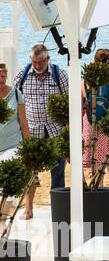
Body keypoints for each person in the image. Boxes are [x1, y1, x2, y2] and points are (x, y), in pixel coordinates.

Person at [17, 44, 68, 219]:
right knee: (31, 171)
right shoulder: (23, 75)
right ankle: (29, 207)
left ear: (47, 59)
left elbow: (70, 100)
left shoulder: (59, 74)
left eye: (40, 62)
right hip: (32, 130)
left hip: (55, 130)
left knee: (58, 170)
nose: (37, 65)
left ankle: (58, 208)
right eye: (34, 62)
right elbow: (14, 99)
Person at [0, 63, 28, 157]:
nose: (1, 80)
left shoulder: (16, 94)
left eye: (3, 76)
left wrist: (29, 147)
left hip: (13, 146)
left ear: (6, 77)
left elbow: (23, 122)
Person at [85, 48, 109, 123]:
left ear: (95, 60)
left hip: (90, 120)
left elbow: (84, 98)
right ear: (108, 62)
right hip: (107, 122)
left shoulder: (87, 79)